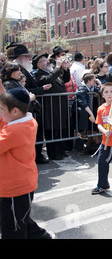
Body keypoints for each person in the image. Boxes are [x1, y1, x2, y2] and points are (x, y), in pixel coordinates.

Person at [0, 86, 52, 239]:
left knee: (13, 230)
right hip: (20, 185)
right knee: (19, 222)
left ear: (15, 111)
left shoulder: (15, 130)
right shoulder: (26, 120)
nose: (0, 113)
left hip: (14, 189)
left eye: (1, 109)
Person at [34, 53, 71, 160]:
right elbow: (47, 80)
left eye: (47, 59)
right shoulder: (39, 74)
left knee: (60, 130)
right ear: (39, 65)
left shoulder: (52, 71)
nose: (48, 61)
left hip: (60, 107)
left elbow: (66, 79)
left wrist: (65, 68)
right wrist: (58, 68)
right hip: (51, 108)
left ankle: (61, 151)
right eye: (44, 60)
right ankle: (54, 153)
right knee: (52, 131)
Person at [75, 73, 101, 140]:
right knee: (80, 130)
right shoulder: (82, 88)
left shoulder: (92, 87)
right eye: (93, 80)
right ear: (88, 81)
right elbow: (83, 103)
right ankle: (81, 134)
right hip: (80, 111)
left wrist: (99, 84)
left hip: (87, 110)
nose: (95, 81)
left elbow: (101, 91)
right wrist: (91, 114)